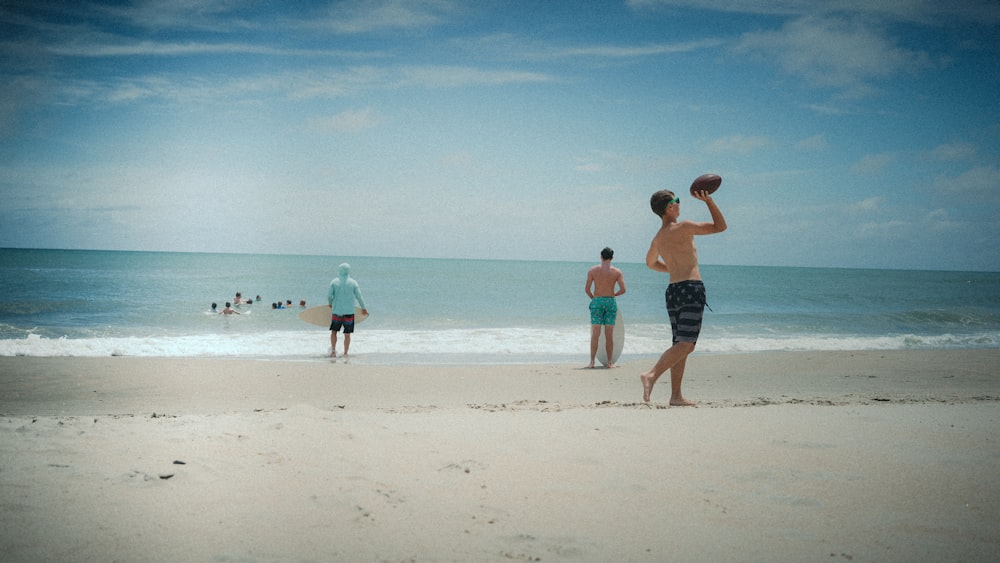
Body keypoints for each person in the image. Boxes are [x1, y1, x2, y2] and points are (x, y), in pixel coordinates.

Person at [640, 188, 726, 405]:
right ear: (669, 207)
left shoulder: (658, 238)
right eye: (677, 201)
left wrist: (672, 270)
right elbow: (720, 227)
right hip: (691, 288)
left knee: (679, 343)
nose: (679, 204)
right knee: (687, 343)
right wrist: (709, 201)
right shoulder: (684, 226)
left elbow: (650, 263)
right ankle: (651, 375)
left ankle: (676, 395)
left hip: (673, 291)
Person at [585, 247, 626, 368]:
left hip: (597, 301)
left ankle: (592, 362)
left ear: (601, 257)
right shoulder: (617, 272)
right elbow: (623, 290)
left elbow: (587, 289)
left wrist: (594, 298)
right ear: (612, 258)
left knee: (595, 333)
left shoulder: (592, 270)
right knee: (609, 334)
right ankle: (609, 362)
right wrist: (613, 294)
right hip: (610, 302)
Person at [327, 263, 368, 357]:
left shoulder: (334, 282)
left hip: (336, 311)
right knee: (347, 334)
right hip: (349, 312)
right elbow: (359, 297)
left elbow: (329, 295)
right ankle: (345, 353)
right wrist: (363, 308)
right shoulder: (353, 282)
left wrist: (330, 303)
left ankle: (333, 351)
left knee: (334, 332)